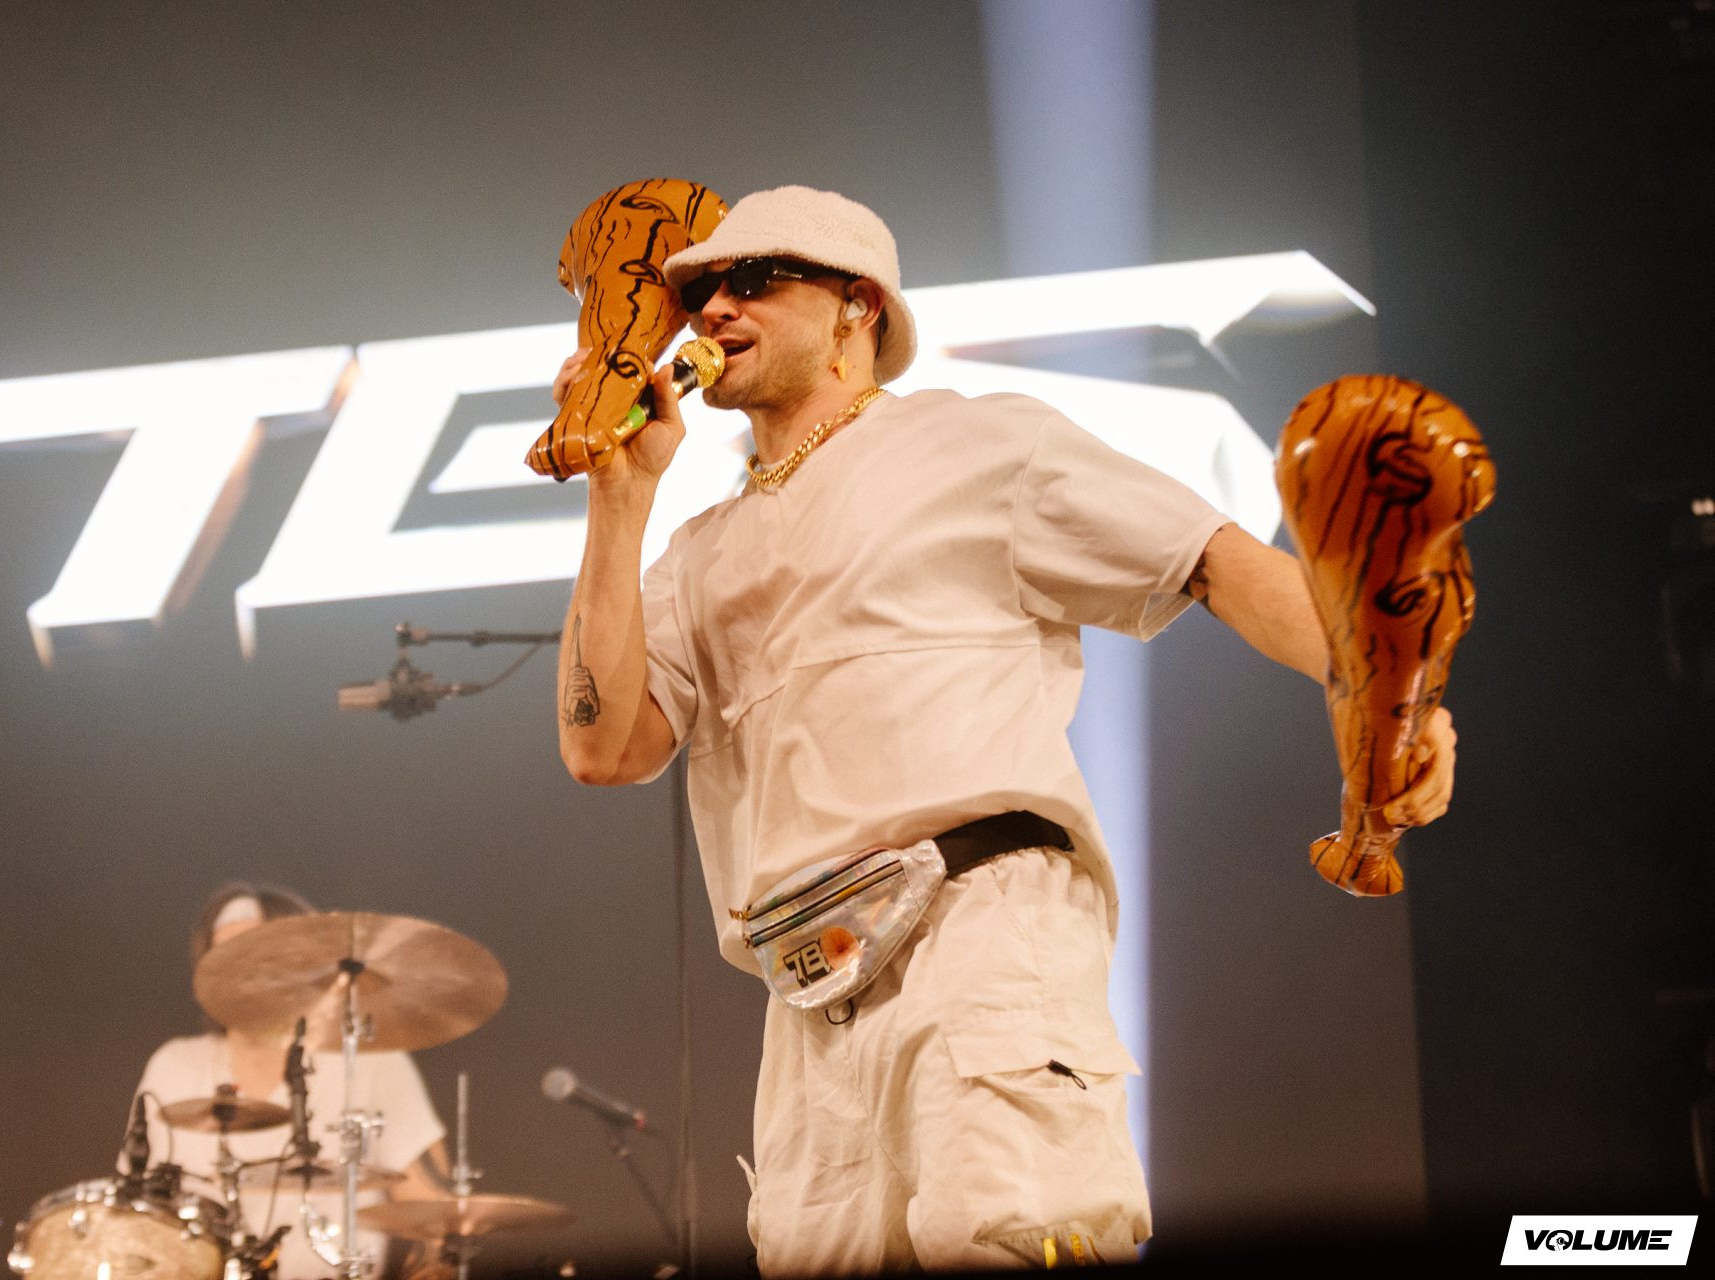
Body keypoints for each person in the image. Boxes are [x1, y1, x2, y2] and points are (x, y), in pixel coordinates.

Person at [550, 186, 1458, 1272]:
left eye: (753, 281)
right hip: (808, 1006)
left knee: (1007, 1243)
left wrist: (1390, 700)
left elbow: (1215, 562)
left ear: (856, 305)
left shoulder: (977, 443)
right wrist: (620, 496)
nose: (712, 310)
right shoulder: (694, 552)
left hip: (975, 929)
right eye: (700, 292)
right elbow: (601, 747)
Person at [127, 883, 453, 1280]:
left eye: (255, 954)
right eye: (222, 957)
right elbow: (134, 1219)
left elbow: (437, 1217)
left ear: (304, 964)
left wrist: (438, 1261)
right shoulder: (174, 1067)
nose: (238, 971)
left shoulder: (370, 1063)